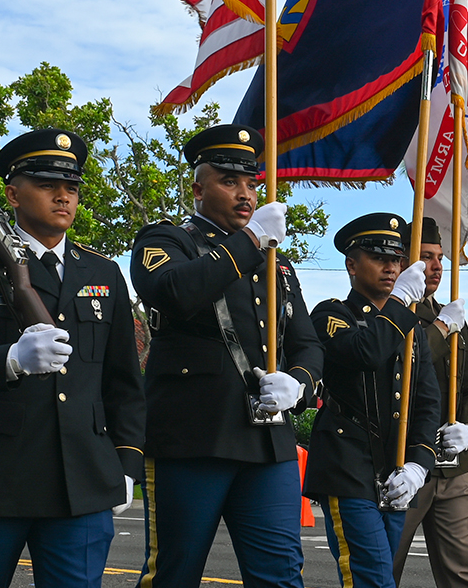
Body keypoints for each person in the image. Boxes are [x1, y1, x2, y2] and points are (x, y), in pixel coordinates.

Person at [0, 129, 145, 588]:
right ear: (12, 194)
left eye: (72, 187)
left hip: (81, 483)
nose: (64, 196)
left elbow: (124, 383)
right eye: (47, 185)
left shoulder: (103, 272)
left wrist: (125, 467)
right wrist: (10, 360)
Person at [128, 124, 324, 588]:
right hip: (192, 436)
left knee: (280, 574)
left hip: (267, 442)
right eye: (229, 181)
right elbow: (174, 292)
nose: (246, 194)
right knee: (174, 574)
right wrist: (252, 241)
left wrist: (298, 383)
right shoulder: (166, 241)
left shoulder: (276, 262)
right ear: (197, 189)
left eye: (252, 184)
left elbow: (307, 343)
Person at [304, 213, 442, 588]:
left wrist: (418, 465)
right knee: (372, 578)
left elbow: (427, 402)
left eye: (397, 259)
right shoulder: (331, 314)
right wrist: (400, 304)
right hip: (347, 464)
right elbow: (364, 351)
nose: (391, 267)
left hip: (394, 469)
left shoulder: (407, 325)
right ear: (351, 264)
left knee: (379, 579)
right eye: (379, 257)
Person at [391, 218, 468, 588]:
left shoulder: (453, 315)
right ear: (402, 263)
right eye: (426, 257)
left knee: (464, 576)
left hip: (453, 467)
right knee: (385, 568)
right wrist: (440, 328)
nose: (436, 267)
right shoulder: (392, 314)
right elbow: (403, 366)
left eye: (441, 258)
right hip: (406, 462)